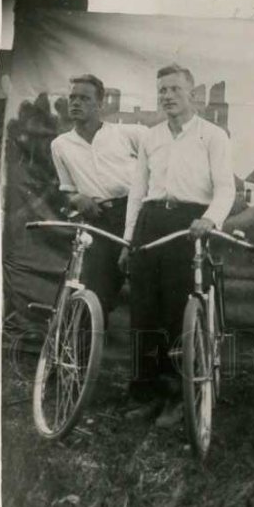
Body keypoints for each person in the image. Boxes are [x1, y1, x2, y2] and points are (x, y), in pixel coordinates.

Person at [119, 64, 235, 428]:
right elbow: (137, 192)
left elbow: (226, 189)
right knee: (143, 311)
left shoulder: (213, 136)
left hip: (189, 226)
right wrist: (128, 240)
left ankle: (177, 396)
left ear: (193, 95)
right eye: (162, 90)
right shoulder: (151, 137)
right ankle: (147, 393)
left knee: (176, 312)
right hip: (151, 222)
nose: (167, 96)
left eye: (175, 90)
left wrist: (209, 220)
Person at [50, 73, 146, 321]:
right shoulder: (60, 145)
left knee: (148, 292)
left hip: (137, 215)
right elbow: (67, 190)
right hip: (100, 220)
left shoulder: (127, 134)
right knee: (92, 296)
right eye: (72, 97)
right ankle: (82, 358)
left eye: (84, 98)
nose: (76, 103)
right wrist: (77, 199)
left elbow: (160, 159)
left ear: (100, 104)